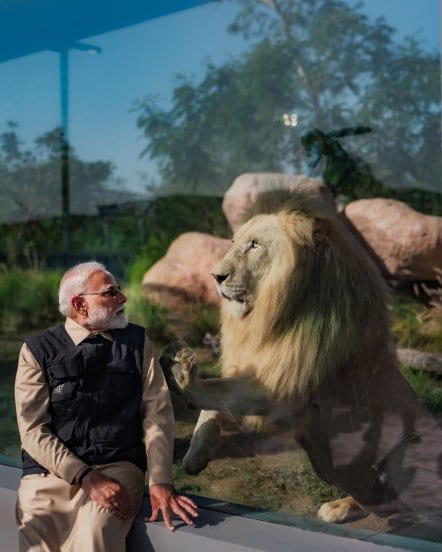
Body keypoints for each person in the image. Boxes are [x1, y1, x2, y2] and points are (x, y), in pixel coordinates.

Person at [15, 261, 198, 552]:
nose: (122, 299)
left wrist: (160, 480)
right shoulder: (37, 350)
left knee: (94, 535)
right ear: (80, 304)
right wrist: (84, 476)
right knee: (36, 535)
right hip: (47, 476)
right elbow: (33, 431)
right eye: (110, 293)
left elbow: (157, 414)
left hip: (116, 468)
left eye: (119, 291)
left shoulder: (137, 342)